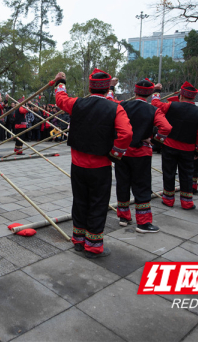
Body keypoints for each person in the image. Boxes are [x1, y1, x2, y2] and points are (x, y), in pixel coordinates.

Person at [54, 69, 132, 258]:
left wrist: (60, 81)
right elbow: (127, 133)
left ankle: (79, 241)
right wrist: (115, 154)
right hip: (100, 165)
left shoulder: (77, 103)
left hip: (78, 164)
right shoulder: (116, 108)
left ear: (90, 87)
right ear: (107, 89)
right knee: (98, 204)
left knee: (80, 201)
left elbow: (60, 98)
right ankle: (94, 245)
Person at [116, 79, 171, 233]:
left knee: (123, 183)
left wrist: (112, 86)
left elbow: (108, 100)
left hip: (123, 152)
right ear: (149, 94)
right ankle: (143, 222)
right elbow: (166, 127)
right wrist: (155, 140)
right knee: (142, 186)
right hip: (141, 153)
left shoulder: (123, 105)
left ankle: (123, 217)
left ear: (135, 91)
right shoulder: (153, 110)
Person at [152, 81, 198, 210]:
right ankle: (187, 202)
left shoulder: (172, 106)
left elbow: (155, 105)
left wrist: (157, 91)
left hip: (169, 145)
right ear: (193, 97)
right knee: (187, 174)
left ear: (181, 95)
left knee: (169, 172)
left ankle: (168, 199)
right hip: (188, 149)